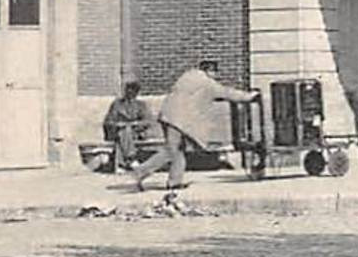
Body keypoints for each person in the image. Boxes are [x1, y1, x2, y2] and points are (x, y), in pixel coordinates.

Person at [129, 60, 258, 191]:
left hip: (168, 114)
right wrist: (250, 96)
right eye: (214, 72)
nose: (215, 76)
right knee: (171, 150)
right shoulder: (206, 82)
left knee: (179, 150)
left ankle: (175, 182)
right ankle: (140, 171)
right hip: (178, 119)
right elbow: (227, 93)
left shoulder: (187, 76)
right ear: (209, 70)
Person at [102, 78, 154, 170]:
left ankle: (122, 165)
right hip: (117, 131)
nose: (130, 92)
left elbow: (147, 121)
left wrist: (134, 125)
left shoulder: (141, 105)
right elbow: (108, 121)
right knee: (124, 132)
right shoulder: (117, 104)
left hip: (136, 133)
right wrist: (118, 124)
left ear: (136, 93)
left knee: (124, 135)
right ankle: (131, 158)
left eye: (133, 90)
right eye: (128, 90)